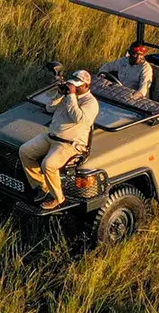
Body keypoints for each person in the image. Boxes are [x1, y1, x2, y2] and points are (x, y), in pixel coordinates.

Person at [20, 69, 101, 210]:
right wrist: (59, 93)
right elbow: (49, 108)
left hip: (69, 144)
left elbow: (79, 119)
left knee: (49, 164)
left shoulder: (91, 103)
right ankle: (41, 186)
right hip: (51, 136)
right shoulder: (67, 96)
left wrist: (71, 96)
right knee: (25, 151)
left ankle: (58, 198)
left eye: (77, 85)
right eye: (72, 84)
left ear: (86, 86)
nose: (73, 87)